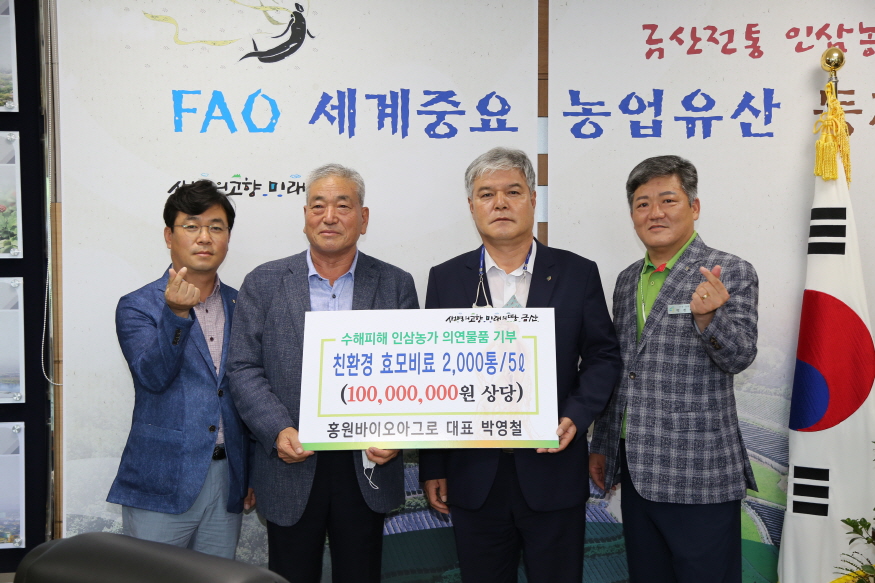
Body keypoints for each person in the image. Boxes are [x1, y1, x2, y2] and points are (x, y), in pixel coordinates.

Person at [419, 147, 622, 583]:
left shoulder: (577, 273)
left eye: (512, 192)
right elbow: (434, 373)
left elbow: (603, 356)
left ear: (532, 198)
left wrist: (576, 415)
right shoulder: (446, 278)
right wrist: (433, 465)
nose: (500, 203)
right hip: (473, 476)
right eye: (486, 194)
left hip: (552, 469)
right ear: (471, 205)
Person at [227, 163, 419, 583]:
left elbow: (413, 372)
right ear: (305, 216)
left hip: (367, 463)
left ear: (363, 218)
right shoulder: (264, 282)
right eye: (318, 205)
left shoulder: (395, 283)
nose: (329, 216)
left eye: (342, 206)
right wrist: (277, 429)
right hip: (291, 461)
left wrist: (396, 433)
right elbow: (242, 366)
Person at [589, 155, 758, 583]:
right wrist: (604, 445)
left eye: (668, 200)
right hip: (636, 468)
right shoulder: (627, 280)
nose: (655, 213)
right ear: (632, 215)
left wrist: (709, 317)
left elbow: (739, 357)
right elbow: (622, 369)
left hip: (699, 469)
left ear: (694, 207)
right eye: (642, 204)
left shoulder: (730, 271)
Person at [108, 180, 254, 559]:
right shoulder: (138, 305)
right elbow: (152, 377)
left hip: (227, 480)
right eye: (191, 226)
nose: (204, 237)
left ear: (227, 237)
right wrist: (175, 314)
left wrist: (249, 474)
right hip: (161, 479)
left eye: (216, 227)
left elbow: (250, 391)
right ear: (168, 236)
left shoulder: (243, 304)